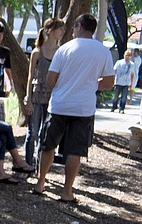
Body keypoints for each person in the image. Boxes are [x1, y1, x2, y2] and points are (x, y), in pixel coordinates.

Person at [35, 13, 115, 203]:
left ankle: (40, 183)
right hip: (84, 108)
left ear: (79, 26)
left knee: (48, 146)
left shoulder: (65, 49)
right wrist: (93, 85)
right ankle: (67, 191)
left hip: (59, 105)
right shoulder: (103, 51)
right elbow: (110, 82)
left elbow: (50, 79)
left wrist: (63, 85)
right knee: (74, 151)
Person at [24, 18, 65, 169]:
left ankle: (39, 167)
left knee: (45, 133)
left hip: (53, 97)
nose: (62, 32)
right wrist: (28, 99)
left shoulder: (61, 52)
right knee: (32, 132)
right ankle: (27, 164)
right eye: (59, 29)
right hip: (36, 95)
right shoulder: (37, 52)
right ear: (50, 30)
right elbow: (29, 77)